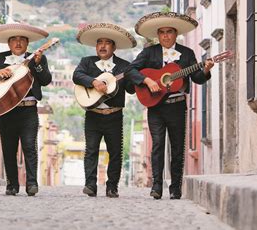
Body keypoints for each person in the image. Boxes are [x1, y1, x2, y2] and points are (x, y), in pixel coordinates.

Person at [125, 12, 214, 200]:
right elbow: (130, 70)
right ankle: (156, 186)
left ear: (176, 34)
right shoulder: (149, 52)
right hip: (155, 105)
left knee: (177, 147)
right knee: (157, 145)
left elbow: (197, 79)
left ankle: (175, 188)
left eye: (169, 32)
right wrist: (148, 80)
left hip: (177, 105)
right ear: (158, 35)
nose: (165, 35)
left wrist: (205, 69)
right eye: (162, 32)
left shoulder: (187, 53)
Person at [0, 23, 52, 196]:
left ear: (27, 43)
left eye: (22, 40)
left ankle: (32, 184)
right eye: (14, 39)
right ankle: (12, 185)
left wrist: (37, 65)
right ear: (9, 43)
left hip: (28, 109)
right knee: (8, 147)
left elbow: (45, 80)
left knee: (29, 146)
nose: (18, 43)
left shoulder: (38, 58)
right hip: (6, 110)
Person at [73, 23, 136, 198]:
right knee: (91, 150)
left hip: (114, 115)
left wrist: (135, 77)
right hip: (93, 114)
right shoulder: (87, 62)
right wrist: (94, 82)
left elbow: (130, 89)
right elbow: (76, 75)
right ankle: (90, 185)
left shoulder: (125, 66)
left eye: (107, 42)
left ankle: (112, 187)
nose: (102, 46)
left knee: (115, 152)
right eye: (99, 42)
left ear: (114, 47)